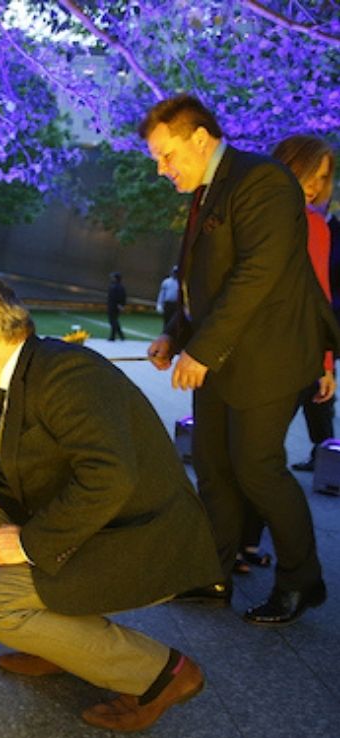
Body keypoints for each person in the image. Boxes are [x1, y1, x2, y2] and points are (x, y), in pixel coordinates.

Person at [0, 275, 221, 732]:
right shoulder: (11, 378)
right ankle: (57, 641)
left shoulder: (67, 375)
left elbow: (110, 478)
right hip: (91, 525)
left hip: (138, 537)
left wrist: (32, 543)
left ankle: (163, 674)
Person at [139, 94, 340, 626]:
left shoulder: (263, 181)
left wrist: (201, 349)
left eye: (167, 156)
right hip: (222, 357)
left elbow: (257, 275)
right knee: (212, 464)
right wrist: (174, 333)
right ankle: (214, 572)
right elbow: (203, 283)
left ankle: (304, 581)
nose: (163, 170)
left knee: (258, 469)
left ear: (199, 139)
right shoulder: (208, 190)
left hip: (269, 356)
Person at [271, 135, 336, 472]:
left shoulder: (315, 226)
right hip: (248, 355)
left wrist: (326, 364)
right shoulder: (255, 216)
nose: (315, 184)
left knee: (259, 461)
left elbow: (320, 297)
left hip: (293, 358)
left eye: (324, 176)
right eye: (311, 172)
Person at [156, 266, 180, 331]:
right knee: (166, 320)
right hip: (168, 304)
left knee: (174, 322)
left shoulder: (180, 283)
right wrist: (159, 304)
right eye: (174, 272)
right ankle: (165, 333)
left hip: (176, 304)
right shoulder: (166, 282)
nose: (175, 274)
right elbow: (162, 294)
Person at [106, 271, 126, 340]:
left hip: (114, 306)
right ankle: (121, 335)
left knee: (113, 321)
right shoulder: (114, 285)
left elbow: (122, 297)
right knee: (114, 320)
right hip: (112, 305)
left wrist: (121, 305)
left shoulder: (118, 287)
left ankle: (113, 336)